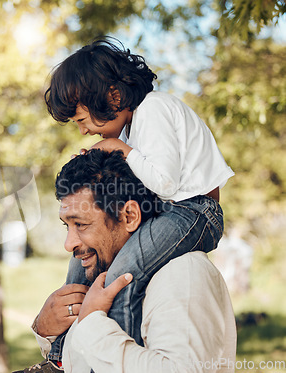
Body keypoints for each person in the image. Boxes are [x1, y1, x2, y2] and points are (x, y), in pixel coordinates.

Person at [42, 36, 234, 358]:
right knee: (82, 263)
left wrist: (119, 149)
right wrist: (97, 167)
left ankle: (116, 351)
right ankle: (58, 357)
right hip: (167, 210)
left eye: (82, 119)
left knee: (121, 277)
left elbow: (166, 183)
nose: (84, 131)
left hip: (195, 212)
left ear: (113, 96)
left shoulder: (153, 109)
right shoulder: (131, 128)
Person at [16, 150, 236, 372]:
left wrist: (92, 322)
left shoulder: (182, 274)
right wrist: (46, 331)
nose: (68, 244)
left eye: (80, 224)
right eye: (67, 225)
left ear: (129, 216)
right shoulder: (104, 275)